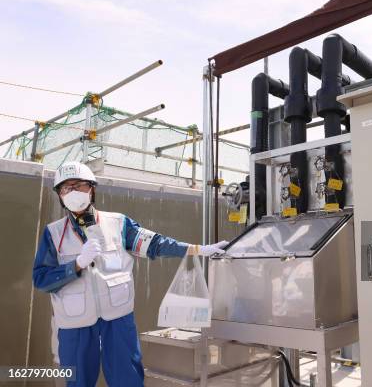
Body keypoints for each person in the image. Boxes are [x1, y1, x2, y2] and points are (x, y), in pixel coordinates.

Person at [32, 161, 227, 387]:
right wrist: (75, 265)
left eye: (79, 185)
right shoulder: (53, 233)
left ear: (92, 188)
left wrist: (195, 249)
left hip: (118, 320)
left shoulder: (118, 224)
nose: (73, 192)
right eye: (65, 188)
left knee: (128, 380)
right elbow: (41, 279)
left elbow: (155, 244)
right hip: (75, 325)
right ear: (60, 195)